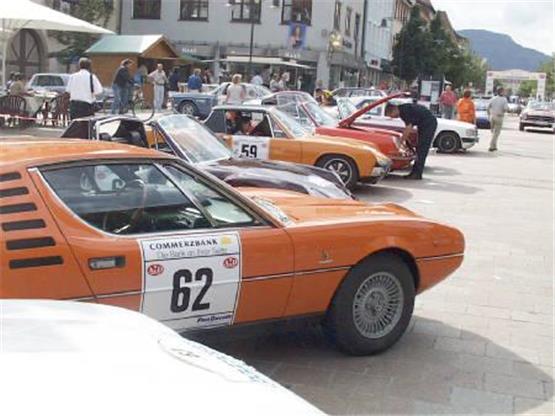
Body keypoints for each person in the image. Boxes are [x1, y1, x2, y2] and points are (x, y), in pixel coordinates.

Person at [385, 101, 438, 180]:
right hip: (425, 123)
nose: (393, 117)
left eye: (391, 115)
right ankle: (415, 172)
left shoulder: (405, 111)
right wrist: (405, 139)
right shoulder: (404, 109)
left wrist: (401, 141)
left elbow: (408, 128)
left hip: (428, 123)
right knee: (420, 148)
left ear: (394, 109)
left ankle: (417, 174)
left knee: (422, 149)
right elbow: (409, 127)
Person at [487, 87, 509, 152]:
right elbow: (505, 108)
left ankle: (494, 146)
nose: (505, 92)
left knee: (493, 132)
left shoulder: (493, 98)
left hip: (492, 116)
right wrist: (507, 109)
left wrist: (489, 115)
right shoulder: (504, 99)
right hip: (499, 117)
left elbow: (488, 107)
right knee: (496, 133)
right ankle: (491, 146)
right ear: (501, 92)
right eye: (504, 91)